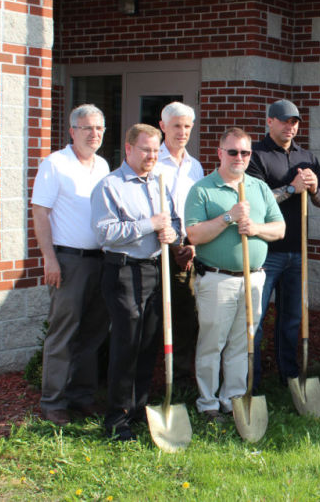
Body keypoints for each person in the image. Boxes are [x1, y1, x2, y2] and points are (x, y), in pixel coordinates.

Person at [184, 128, 285, 422]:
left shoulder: (259, 188)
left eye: (245, 153)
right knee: (212, 343)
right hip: (218, 279)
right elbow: (194, 234)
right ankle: (208, 403)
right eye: (232, 152)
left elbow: (279, 229)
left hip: (253, 278)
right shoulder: (203, 189)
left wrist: (255, 228)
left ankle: (233, 399)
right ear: (219, 153)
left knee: (243, 343)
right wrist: (229, 217)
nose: (239, 158)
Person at [91, 123, 181, 441]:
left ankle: (139, 410)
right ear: (128, 149)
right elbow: (104, 232)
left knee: (148, 342)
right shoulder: (110, 186)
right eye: (145, 150)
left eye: (156, 151)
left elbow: (174, 221)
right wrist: (149, 224)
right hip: (123, 271)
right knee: (127, 343)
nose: (151, 156)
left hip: (157, 269)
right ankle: (116, 419)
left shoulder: (159, 182)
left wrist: (173, 232)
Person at [31, 104, 111, 426]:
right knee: (62, 334)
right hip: (67, 260)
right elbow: (40, 213)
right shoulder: (55, 164)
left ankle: (82, 396)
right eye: (88, 128)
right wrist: (49, 259)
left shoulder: (103, 165)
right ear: (72, 131)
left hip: (99, 261)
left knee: (92, 334)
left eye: (100, 129)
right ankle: (53, 401)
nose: (94, 134)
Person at [246, 99, 320, 390]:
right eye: (284, 121)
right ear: (269, 121)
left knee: (292, 319)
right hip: (265, 252)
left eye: (294, 122)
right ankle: (250, 382)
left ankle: (288, 377)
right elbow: (255, 201)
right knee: (254, 319)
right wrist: (292, 188)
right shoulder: (255, 155)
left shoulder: (307, 157)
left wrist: (315, 187)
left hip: (298, 251)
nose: (290, 126)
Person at [156, 101, 204, 387]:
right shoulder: (153, 161)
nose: (182, 132)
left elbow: (197, 213)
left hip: (189, 251)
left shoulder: (194, 167)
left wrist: (192, 245)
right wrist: (174, 246)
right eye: (176, 125)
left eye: (187, 126)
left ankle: (182, 378)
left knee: (187, 316)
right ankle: (153, 380)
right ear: (163, 126)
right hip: (158, 250)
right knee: (157, 318)